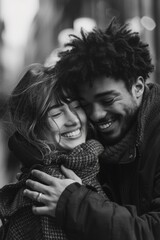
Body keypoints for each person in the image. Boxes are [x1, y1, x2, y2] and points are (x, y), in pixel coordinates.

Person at [18, 17, 160, 240]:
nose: (95, 115)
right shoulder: (88, 145)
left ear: (138, 87)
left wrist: (74, 202)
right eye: (85, 104)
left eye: (108, 100)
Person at [0, 63, 106, 240]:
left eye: (77, 106)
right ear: (34, 127)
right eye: (57, 114)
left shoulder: (95, 163)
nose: (73, 119)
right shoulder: (46, 189)